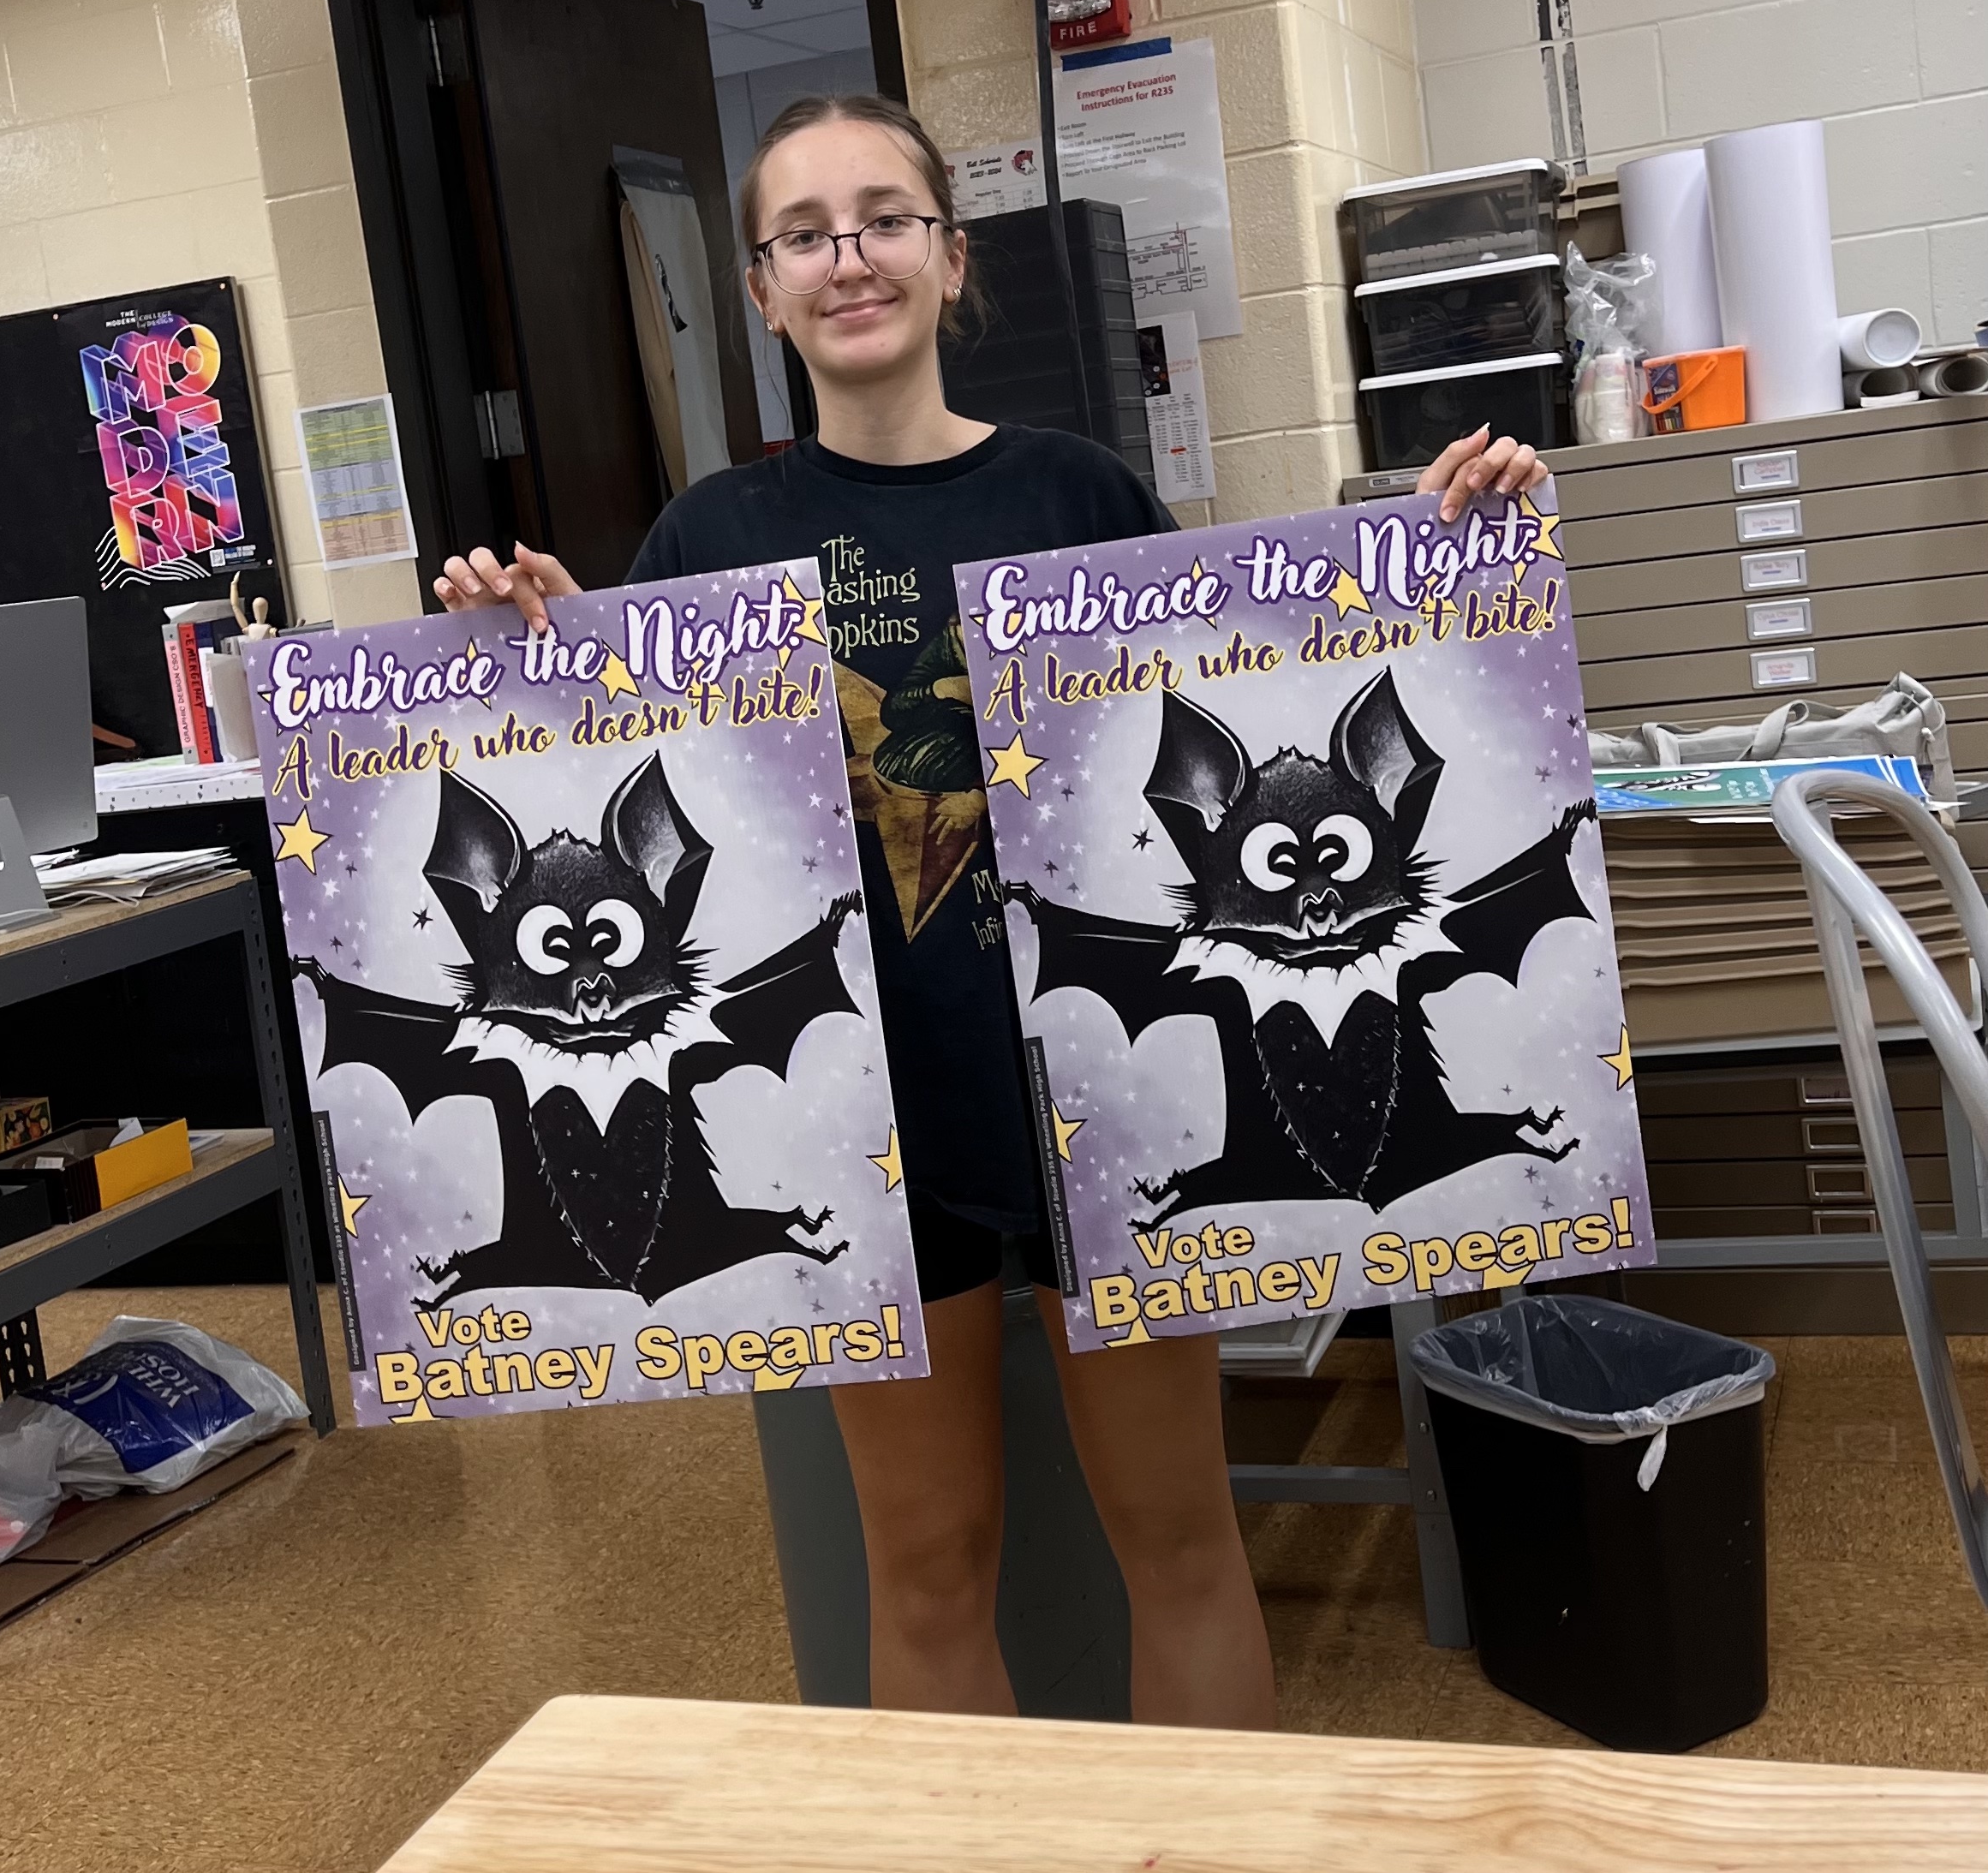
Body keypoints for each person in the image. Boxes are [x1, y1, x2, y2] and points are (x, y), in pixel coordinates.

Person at [435, 92, 1549, 1728]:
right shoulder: (709, 542)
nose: (849, 258)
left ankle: (1205, 1852)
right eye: (805, 234)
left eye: (884, 219)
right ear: (760, 290)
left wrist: (1445, 556)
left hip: (1112, 1091)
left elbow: (1256, 703)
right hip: (861, 1129)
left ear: (951, 258)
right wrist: (519, 658)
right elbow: (617, 811)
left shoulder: (1079, 497)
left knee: (1181, 1543)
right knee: (928, 1567)